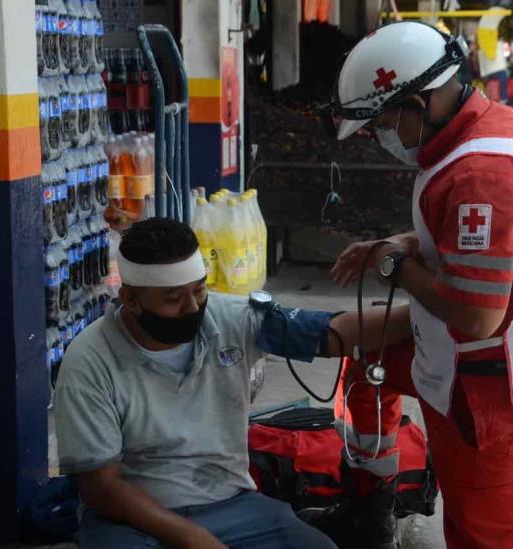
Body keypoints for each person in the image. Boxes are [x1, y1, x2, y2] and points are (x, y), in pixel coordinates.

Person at [319, 21, 513, 549]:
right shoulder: (502, 125)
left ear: (419, 101)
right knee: (365, 366)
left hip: (488, 387)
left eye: (384, 120)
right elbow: (483, 240)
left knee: (484, 532)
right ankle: (371, 510)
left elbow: (475, 314)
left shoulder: (479, 173)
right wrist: (407, 244)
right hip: (480, 355)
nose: (380, 134)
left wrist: (394, 266)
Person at [54, 217, 411, 549]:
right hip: (133, 518)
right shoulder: (90, 361)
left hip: (231, 504)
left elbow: (335, 333)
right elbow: (100, 488)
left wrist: (425, 314)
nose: (193, 308)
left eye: (198, 290)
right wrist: (193, 538)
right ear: (131, 300)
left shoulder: (230, 318)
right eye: (173, 299)